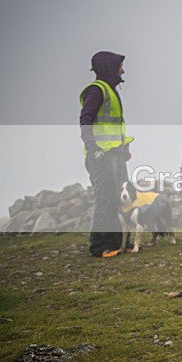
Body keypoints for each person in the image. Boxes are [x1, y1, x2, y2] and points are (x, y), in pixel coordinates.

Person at [79, 51, 133, 258]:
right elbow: (86, 119)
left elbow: (116, 125)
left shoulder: (111, 91)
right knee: (105, 199)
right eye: (120, 67)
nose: (123, 70)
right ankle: (100, 247)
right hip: (101, 155)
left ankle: (119, 243)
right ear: (110, 68)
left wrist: (124, 148)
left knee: (120, 197)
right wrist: (92, 147)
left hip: (116, 154)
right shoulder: (97, 91)